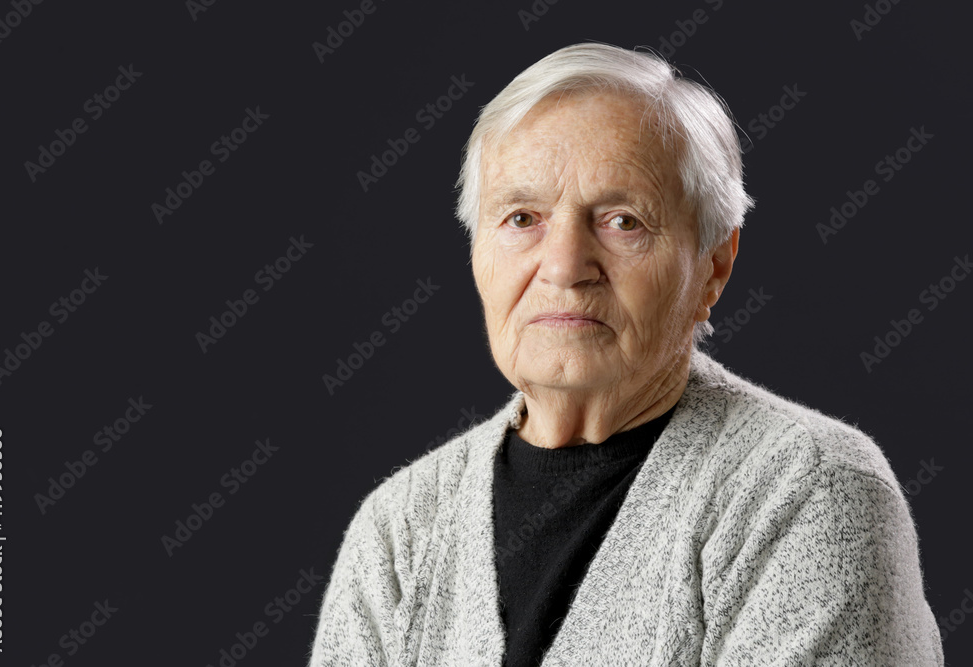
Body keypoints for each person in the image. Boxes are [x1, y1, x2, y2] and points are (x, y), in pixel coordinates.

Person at [308, 42, 943, 666]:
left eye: (622, 221)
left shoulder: (808, 490)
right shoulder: (398, 529)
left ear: (714, 265)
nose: (563, 266)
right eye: (522, 218)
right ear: (478, 254)